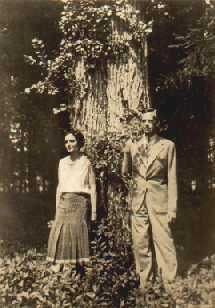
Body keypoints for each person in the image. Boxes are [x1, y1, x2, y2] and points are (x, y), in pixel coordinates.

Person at [121, 108, 177, 292]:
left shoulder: (167, 146)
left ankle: (169, 283)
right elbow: (125, 173)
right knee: (140, 242)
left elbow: (172, 177)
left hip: (159, 199)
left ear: (156, 123)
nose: (147, 124)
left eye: (150, 121)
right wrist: (126, 151)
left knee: (163, 241)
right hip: (138, 200)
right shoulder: (133, 145)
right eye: (144, 121)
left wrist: (172, 208)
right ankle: (146, 284)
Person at [47, 129, 97, 272]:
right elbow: (60, 187)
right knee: (60, 231)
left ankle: (75, 268)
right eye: (66, 141)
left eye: (72, 141)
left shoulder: (86, 162)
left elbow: (93, 187)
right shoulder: (62, 163)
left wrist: (93, 211)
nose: (68, 144)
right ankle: (60, 267)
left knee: (75, 232)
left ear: (79, 143)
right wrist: (57, 208)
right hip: (64, 202)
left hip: (79, 202)